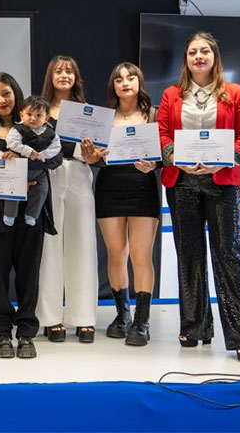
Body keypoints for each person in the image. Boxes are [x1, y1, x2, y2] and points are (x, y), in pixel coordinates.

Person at [157, 32, 240, 362]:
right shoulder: (171, 95)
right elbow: (162, 132)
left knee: (229, 254)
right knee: (189, 255)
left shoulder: (235, 93)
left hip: (222, 182)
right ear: (185, 59)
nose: (198, 56)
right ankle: (194, 327)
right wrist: (173, 155)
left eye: (204, 51)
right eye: (191, 52)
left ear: (214, 56)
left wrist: (228, 158)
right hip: (182, 182)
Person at [0, 73, 62, 359]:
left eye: (5, 94)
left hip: (30, 213)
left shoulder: (41, 125)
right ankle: (1, 332)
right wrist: (14, 177)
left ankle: (26, 332)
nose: (1, 100)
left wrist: (29, 161)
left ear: (16, 95)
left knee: (29, 274)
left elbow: (55, 159)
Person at [87, 62, 161, 347]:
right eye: (119, 79)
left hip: (143, 188)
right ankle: (122, 315)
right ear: (113, 86)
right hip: (109, 187)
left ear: (139, 82)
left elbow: (163, 155)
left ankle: (142, 322)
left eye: (131, 77)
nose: (125, 82)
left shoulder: (153, 115)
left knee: (141, 256)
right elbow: (93, 159)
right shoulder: (103, 118)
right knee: (116, 254)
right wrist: (93, 154)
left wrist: (155, 163)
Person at [37, 55, 99, 344]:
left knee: (82, 244)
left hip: (79, 175)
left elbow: (97, 154)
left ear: (76, 77)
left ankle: (84, 317)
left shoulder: (87, 112)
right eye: (59, 71)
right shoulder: (38, 110)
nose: (64, 75)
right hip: (47, 177)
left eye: (69, 71)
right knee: (49, 246)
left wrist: (94, 155)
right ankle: (50, 318)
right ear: (50, 76)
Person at [3, 95, 61, 228]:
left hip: (40, 171)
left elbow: (56, 147)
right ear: (21, 115)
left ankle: (32, 214)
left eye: (39, 115)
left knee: (42, 191)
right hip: (20, 168)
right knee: (13, 191)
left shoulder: (51, 132)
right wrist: (28, 152)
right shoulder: (18, 129)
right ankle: (9, 214)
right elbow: (11, 142)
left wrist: (43, 155)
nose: (33, 118)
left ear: (46, 117)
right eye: (29, 114)